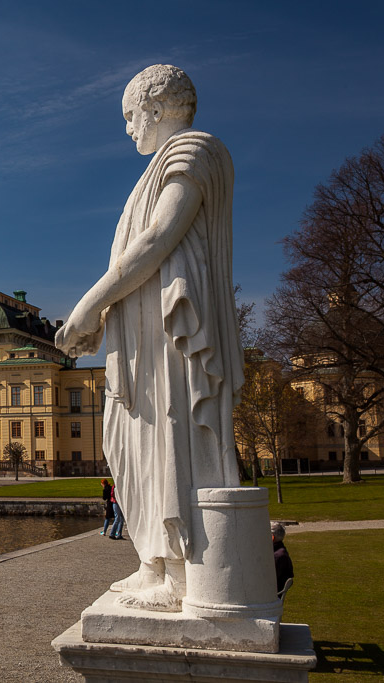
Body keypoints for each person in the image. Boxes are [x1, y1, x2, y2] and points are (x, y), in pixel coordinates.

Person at [55, 64, 242, 612]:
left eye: (131, 117)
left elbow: (160, 237)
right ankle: (154, 560)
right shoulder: (159, 167)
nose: (130, 129)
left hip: (169, 333)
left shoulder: (193, 152)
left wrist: (90, 304)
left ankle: (183, 571)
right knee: (133, 440)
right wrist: (106, 317)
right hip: (138, 333)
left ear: (155, 109)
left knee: (169, 434)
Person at [271, 522, 294, 595]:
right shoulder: (278, 551)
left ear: (272, 537)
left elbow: (268, 579)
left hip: (270, 596)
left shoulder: (278, 556)